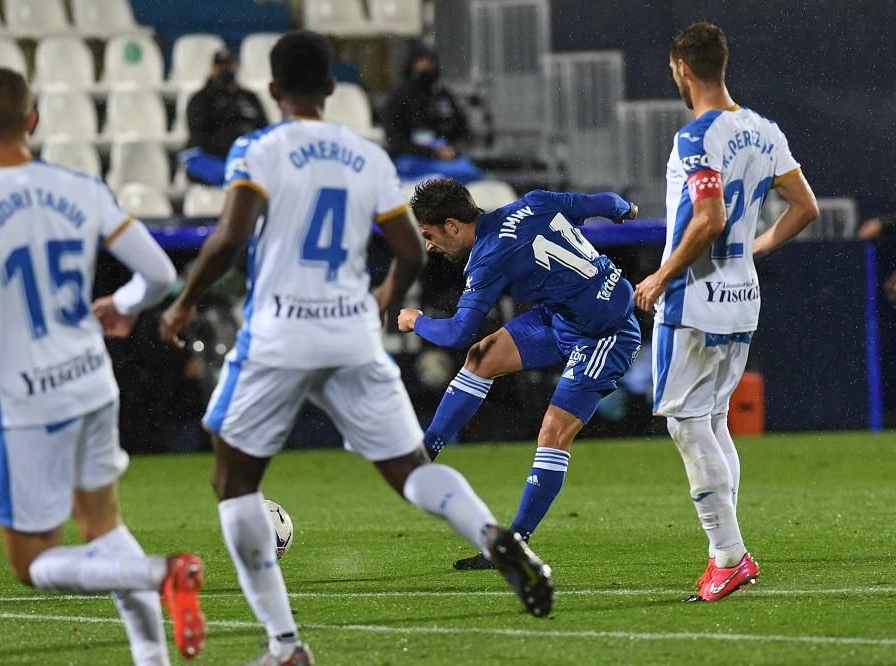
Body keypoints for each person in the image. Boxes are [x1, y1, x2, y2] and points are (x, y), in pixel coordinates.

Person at [159, 31, 554, 666]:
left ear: (275, 90)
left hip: (279, 330)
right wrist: (380, 298)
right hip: (348, 330)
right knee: (412, 472)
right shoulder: (365, 156)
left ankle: (285, 646)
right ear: (333, 90)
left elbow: (228, 239)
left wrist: (182, 303)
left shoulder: (257, 148)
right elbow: (405, 249)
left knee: (233, 478)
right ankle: (492, 535)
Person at [0, 68, 206, 663]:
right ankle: (153, 657)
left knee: (30, 563)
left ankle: (160, 572)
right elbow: (159, 273)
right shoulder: (80, 187)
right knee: (102, 525)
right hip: (90, 379)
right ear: (32, 122)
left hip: (28, 398)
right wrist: (124, 305)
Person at [633, 22, 818, 602]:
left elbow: (709, 218)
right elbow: (804, 207)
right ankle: (730, 553)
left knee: (689, 424)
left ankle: (728, 556)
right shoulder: (764, 130)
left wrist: (662, 275)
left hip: (693, 300)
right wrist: (756, 249)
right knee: (712, 420)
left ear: (682, 69)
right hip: (742, 296)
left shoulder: (697, 137)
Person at [398, 178, 641, 570]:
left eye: (430, 234)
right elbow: (604, 201)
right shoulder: (535, 201)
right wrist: (626, 209)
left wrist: (417, 320)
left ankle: (515, 542)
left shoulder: (490, 256)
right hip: (561, 317)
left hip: (602, 335)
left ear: (454, 226)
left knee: (552, 433)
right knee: (482, 357)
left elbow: (458, 331)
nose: (429, 245)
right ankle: (426, 454)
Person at [383, 44, 481, 184]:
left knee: (471, 176)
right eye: (420, 61)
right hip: (410, 158)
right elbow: (395, 138)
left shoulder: (442, 95)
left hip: (447, 158)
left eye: (429, 62)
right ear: (411, 64)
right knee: (436, 183)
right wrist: (431, 152)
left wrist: (454, 148)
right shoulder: (399, 97)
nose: (425, 66)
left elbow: (463, 129)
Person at [187, 49, 268, 160]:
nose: (225, 69)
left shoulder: (249, 97)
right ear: (213, 68)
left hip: (248, 156)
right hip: (214, 158)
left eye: (229, 65)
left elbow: (264, 128)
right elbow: (198, 136)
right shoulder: (201, 98)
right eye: (220, 65)